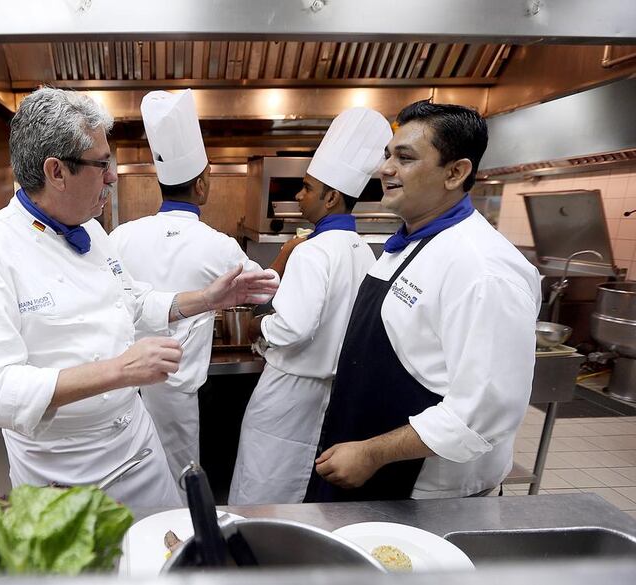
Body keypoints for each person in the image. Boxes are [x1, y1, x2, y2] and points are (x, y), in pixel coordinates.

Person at [0, 87, 277, 508]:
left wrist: (208, 297)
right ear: (56, 172)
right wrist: (121, 370)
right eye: (102, 164)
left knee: (165, 557)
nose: (111, 176)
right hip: (62, 472)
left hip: (136, 449)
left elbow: (133, 302)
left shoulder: (92, 232)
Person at [306, 100, 541, 502]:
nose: (384, 169)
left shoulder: (485, 271)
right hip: (366, 466)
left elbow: (481, 414)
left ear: (455, 172)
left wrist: (372, 452)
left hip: (421, 491)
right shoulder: (410, 243)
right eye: (387, 155)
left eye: (405, 157)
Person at [109, 89, 282, 482]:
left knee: (130, 476)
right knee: (182, 479)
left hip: (124, 381)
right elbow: (268, 288)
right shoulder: (219, 245)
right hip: (177, 388)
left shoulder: (121, 235)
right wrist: (290, 250)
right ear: (202, 184)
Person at [228, 107, 392, 505]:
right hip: (333, 392)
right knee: (300, 486)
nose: (299, 196)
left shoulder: (312, 251)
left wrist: (257, 327)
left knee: (262, 481)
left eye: (306, 188)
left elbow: (292, 328)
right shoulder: (365, 251)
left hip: (289, 389)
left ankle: (251, 552)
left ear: (331, 196)